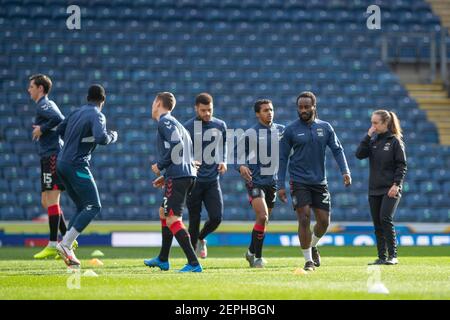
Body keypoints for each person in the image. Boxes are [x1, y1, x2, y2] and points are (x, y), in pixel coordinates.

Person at [278, 91, 351, 272]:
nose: (303, 110)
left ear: (314, 107)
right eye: (300, 107)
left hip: (319, 182)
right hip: (298, 181)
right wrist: (280, 185)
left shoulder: (325, 128)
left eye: (306, 107)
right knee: (304, 219)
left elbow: (337, 150)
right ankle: (308, 261)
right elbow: (282, 158)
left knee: (324, 222)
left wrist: (345, 171)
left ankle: (313, 245)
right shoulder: (291, 130)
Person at [55, 84, 118, 267]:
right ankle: (66, 244)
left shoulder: (76, 112)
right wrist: (113, 136)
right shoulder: (97, 115)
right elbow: (101, 138)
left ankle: (67, 244)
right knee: (94, 206)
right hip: (77, 165)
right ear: (103, 101)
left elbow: (59, 130)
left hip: (62, 163)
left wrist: (73, 143)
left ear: (87, 98)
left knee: (81, 205)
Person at [144, 92, 202, 272]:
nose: (152, 105)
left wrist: (160, 165)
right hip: (183, 175)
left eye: (154, 102)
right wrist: (167, 176)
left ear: (158, 103)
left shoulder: (164, 121)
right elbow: (185, 153)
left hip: (179, 176)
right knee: (163, 212)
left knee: (173, 219)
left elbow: (177, 145)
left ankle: (193, 263)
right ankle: (163, 258)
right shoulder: (179, 124)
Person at [27, 74, 72, 259]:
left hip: (53, 156)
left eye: (31, 86)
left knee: (52, 200)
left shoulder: (44, 104)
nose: (28, 90)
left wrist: (42, 129)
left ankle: (54, 243)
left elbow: (60, 118)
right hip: (47, 156)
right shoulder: (43, 105)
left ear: (40, 88)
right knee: (46, 201)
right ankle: (68, 237)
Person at [236, 99, 284, 268]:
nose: (269, 112)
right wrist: (241, 165)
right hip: (255, 181)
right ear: (258, 114)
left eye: (271, 109)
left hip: (273, 182)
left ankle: (250, 251)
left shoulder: (281, 130)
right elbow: (237, 154)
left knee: (263, 220)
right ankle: (258, 258)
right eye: (265, 110)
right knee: (263, 216)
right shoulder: (250, 133)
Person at [355, 110, 407, 265]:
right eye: (372, 122)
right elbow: (359, 154)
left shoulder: (395, 141)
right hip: (374, 189)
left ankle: (393, 256)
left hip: (391, 189)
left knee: (385, 218)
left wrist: (396, 185)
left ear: (385, 123)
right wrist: (368, 136)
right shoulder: (373, 141)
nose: (373, 126)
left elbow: (402, 166)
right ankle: (382, 257)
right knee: (377, 223)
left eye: (376, 123)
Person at [184, 93, 227, 259]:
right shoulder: (187, 127)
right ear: (196, 109)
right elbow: (180, 151)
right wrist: (189, 160)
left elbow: (223, 145)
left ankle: (202, 239)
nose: (207, 114)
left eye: (209, 110)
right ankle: (192, 257)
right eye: (203, 110)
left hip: (212, 181)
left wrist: (223, 160)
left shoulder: (220, 125)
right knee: (194, 220)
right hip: (193, 181)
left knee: (217, 217)